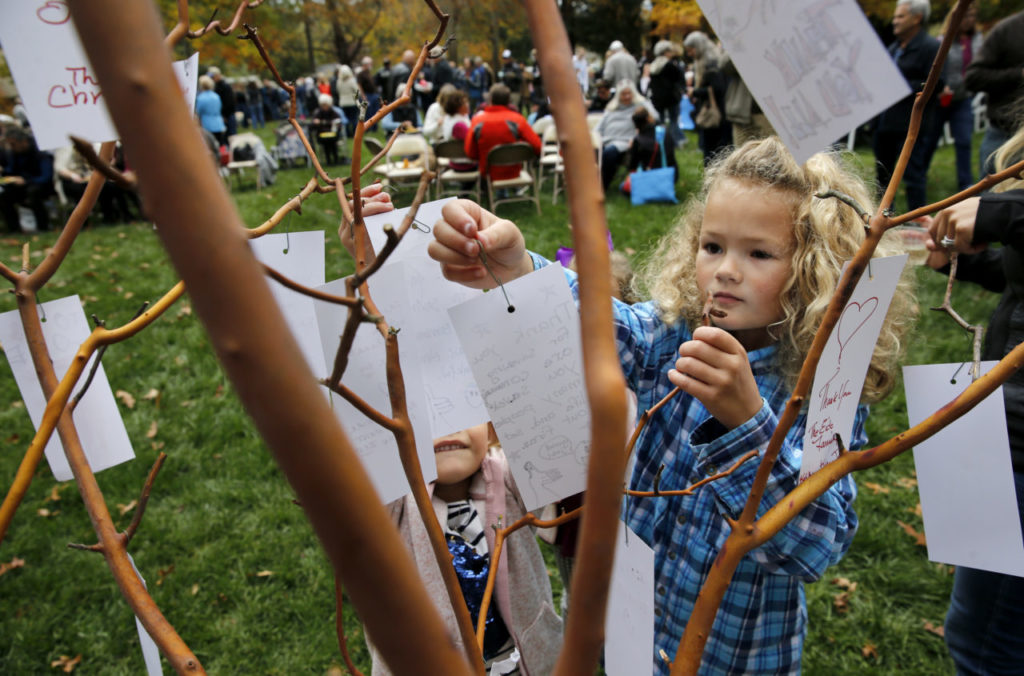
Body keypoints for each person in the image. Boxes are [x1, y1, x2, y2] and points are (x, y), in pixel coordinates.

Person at [426, 136, 916, 673]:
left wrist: (748, 424)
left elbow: (817, 546)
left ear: (813, 268)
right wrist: (520, 268)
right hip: (633, 634)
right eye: (712, 247)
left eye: (758, 253)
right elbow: (600, 320)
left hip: (729, 655)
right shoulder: (672, 337)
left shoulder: (823, 386)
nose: (726, 270)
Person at [925, 126, 1024, 676]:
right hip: (1005, 418)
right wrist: (960, 264)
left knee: (985, 644)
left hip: (1020, 449)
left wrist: (1002, 215)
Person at [363, 423, 563, 676]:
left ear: (491, 430)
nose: (445, 429)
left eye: (460, 415)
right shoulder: (393, 507)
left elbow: (544, 438)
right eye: (423, 420)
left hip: (526, 662)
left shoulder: (507, 479)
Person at [872, 0, 942, 210]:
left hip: (909, 126)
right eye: (894, 16)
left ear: (917, 18)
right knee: (882, 176)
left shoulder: (931, 48)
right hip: (884, 124)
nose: (894, 21)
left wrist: (897, 84)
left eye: (900, 16)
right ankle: (882, 220)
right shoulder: (893, 48)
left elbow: (937, 83)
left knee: (913, 175)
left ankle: (915, 219)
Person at [916, 5, 982, 193]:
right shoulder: (942, 41)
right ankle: (920, 176)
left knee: (964, 140)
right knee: (930, 141)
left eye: (973, 15)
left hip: (963, 98)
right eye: (966, 15)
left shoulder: (976, 40)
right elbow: (934, 69)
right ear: (956, 18)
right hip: (940, 101)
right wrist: (940, 86)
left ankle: (966, 184)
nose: (970, 19)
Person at [965, 10, 1024, 175]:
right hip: (1004, 135)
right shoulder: (1007, 30)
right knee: (992, 196)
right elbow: (973, 77)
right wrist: (1018, 74)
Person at [464, 84, 541, 182]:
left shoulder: (477, 121)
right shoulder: (517, 119)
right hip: (514, 172)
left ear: (490, 100)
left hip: (487, 173)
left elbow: (470, 152)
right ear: (509, 101)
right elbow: (537, 146)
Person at [595, 80, 658, 190]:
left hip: (625, 142)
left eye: (629, 93)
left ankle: (601, 186)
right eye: (624, 94)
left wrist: (645, 104)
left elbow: (655, 117)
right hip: (605, 139)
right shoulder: (612, 107)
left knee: (609, 153)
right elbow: (599, 127)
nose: (627, 96)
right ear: (619, 95)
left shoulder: (640, 105)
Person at [684, 31, 731, 166]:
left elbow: (717, 89)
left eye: (690, 50)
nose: (689, 53)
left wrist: (696, 92)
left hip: (716, 112)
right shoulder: (710, 60)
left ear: (698, 47)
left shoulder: (710, 64)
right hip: (716, 110)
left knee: (713, 150)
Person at [0, 127, 54, 232]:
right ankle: (14, 229)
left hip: (40, 186)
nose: (11, 147)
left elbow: (46, 177)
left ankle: (43, 227)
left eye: (13, 144)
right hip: (20, 186)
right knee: (4, 196)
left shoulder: (40, 153)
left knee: (33, 193)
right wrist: (4, 171)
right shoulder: (14, 154)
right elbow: (11, 170)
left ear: (23, 142)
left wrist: (27, 181)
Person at [648, 40, 685, 150]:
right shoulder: (670, 65)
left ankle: (662, 142)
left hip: (658, 99)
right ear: (665, 52)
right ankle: (677, 142)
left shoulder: (653, 65)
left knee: (661, 122)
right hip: (671, 98)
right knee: (673, 121)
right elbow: (678, 78)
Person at [627, 107, 677, 184]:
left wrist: (631, 148)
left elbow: (632, 166)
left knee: (623, 187)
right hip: (671, 175)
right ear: (648, 118)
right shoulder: (665, 131)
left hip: (649, 176)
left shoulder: (638, 140)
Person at [310, 93, 342, 166]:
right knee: (326, 145)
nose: (324, 107)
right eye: (323, 105)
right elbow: (314, 123)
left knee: (333, 143)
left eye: (325, 105)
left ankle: (336, 160)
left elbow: (338, 123)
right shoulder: (318, 113)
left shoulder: (334, 113)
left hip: (333, 135)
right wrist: (327, 123)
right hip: (322, 136)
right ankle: (329, 161)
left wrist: (321, 122)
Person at [195, 75, 227, 145]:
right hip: (218, 124)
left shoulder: (201, 98)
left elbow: (198, 112)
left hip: (207, 125)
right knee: (219, 145)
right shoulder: (216, 96)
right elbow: (219, 108)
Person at [207, 66, 237, 138]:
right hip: (222, 116)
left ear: (218, 75)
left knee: (231, 137)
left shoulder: (224, 86)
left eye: (213, 77)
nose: (211, 79)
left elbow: (229, 103)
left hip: (227, 116)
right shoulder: (215, 87)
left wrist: (225, 115)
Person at [335, 65, 361, 138]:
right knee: (354, 119)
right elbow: (357, 91)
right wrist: (357, 98)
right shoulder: (352, 80)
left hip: (342, 102)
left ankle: (347, 133)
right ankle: (355, 133)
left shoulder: (339, 81)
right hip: (352, 102)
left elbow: (338, 91)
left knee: (345, 119)